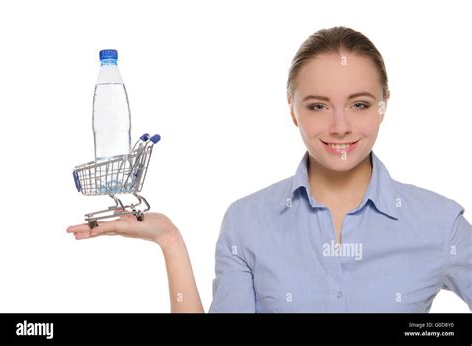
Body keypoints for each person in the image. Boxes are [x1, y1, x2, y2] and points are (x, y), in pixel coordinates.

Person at [67, 26, 472, 313]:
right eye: (317, 105)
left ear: (385, 103)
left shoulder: (440, 224)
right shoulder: (247, 223)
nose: (340, 126)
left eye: (360, 104)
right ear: (293, 110)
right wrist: (170, 240)